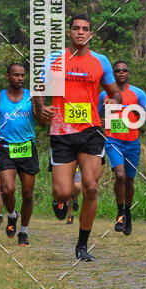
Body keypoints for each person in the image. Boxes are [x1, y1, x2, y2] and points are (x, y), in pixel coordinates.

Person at [33, 14, 121, 262]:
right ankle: (60, 201)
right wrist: (42, 107)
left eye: (85, 29)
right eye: (76, 28)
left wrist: (112, 102)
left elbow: (115, 93)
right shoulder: (54, 59)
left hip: (91, 131)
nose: (80, 32)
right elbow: (39, 89)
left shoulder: (100, 61)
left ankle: (82, 246)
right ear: (69, 32)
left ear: (91, 33)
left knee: (91, 188)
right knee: (62, 192)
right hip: (62, 132)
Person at [0, 64, 43, 246]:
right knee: (7, 189)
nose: (20, 78)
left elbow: (42, 123)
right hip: (6, 148)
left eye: (22, 75)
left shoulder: (31, 97)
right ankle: (12, 215)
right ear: (7, 76)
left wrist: (39, 109)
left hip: (27, 148)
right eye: (16, 75)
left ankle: (23, 232)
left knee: (28, 193)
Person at [98, 61, 146, 236]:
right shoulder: (104, 94)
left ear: (128, 73)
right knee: (120, 175)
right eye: (117, 70)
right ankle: (120, 212)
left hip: (132, 142)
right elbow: (95, 115)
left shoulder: (138, 93)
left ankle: (128, 212)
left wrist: (137, 112)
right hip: (113, 141)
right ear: (113, 74)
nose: (121, 72)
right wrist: (100, 121)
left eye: (124, 70)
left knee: (129, 180)